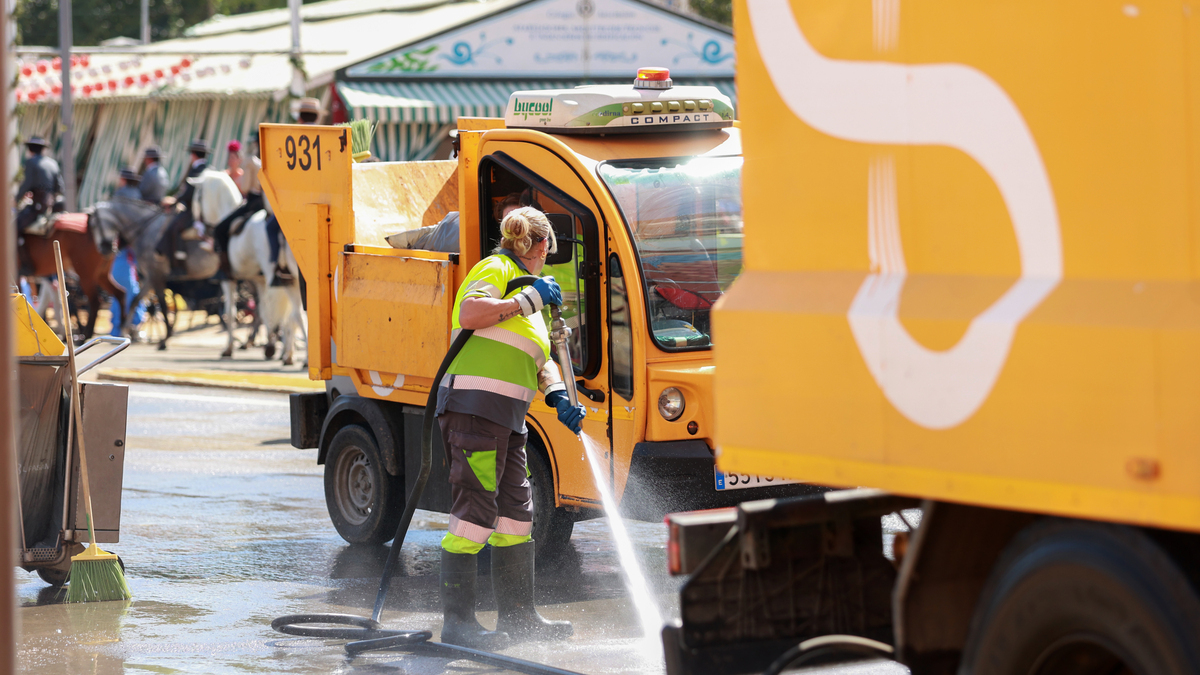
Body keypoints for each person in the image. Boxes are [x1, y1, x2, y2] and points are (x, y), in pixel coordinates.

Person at [435, 206, 586, 650]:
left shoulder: (533, 301)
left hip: (509, 421)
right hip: (474, 413)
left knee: (517, 517)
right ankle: (458, 622)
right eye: (549, 251)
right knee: (474, 514)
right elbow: (469, 313)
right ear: (541, 247)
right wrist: (526, 299)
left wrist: (558, 395)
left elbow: (536, 359)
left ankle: (520, 617)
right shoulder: (496, 268)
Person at [213, 132, 264, 273]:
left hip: (253, 202)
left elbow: (246, 188)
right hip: (268, 203)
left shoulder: (251, 161)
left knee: (220, 229)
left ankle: (225, 269)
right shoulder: (271, 158)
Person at [164, 139, 210, 271]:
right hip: (203, 208)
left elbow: (189, 193)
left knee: (174, 228)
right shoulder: (208, 168)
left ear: (193, 155)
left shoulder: (196, 170)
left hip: (193, 210)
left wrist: (175, 201)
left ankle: (179, 262)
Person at [14, 136, 64, 232]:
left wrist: (16, 200)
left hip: (38, 206)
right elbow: (60, 188)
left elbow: (26, 185)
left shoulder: (31, 162)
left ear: (29, 149)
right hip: (52, 205)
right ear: (42, 150)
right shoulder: (53, 163)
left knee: (14, 226)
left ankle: (21, 246)